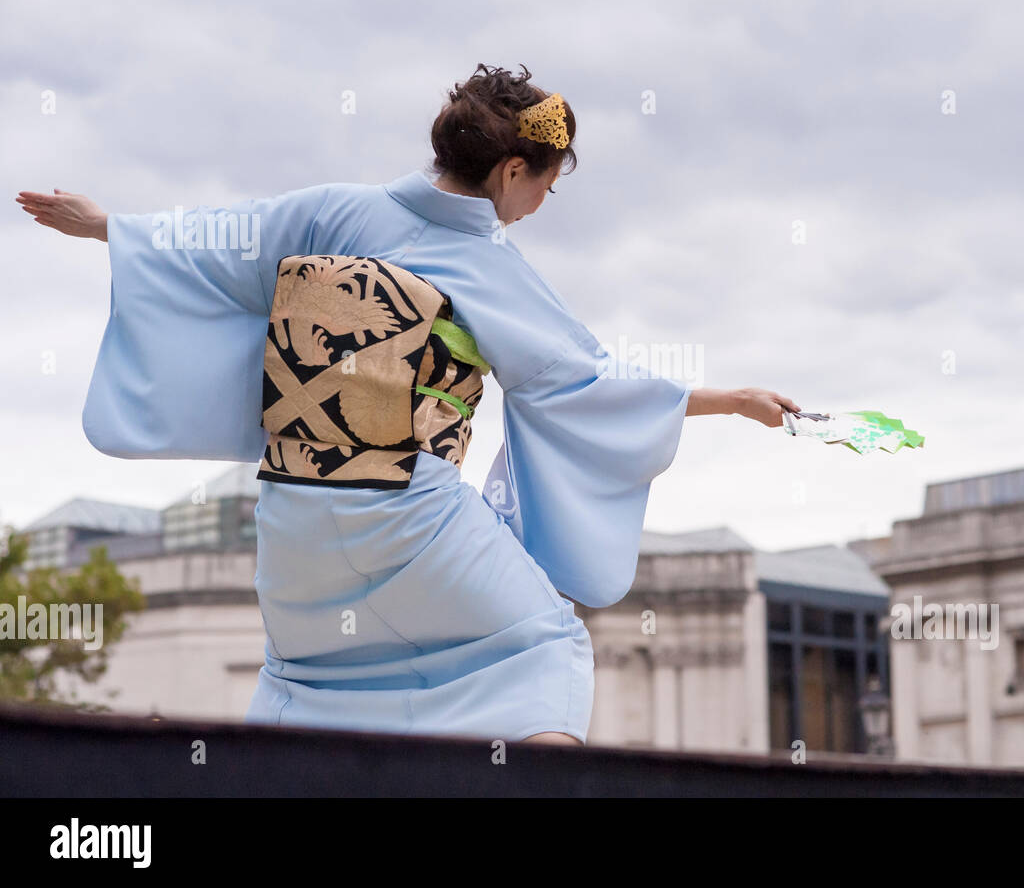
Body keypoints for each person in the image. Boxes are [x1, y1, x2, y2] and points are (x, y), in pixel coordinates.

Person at [15, 62, 800, 746]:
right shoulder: (489, 263)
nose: (539, 203)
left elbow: (213, 242)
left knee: (309, 673)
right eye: (545, 184)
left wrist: (107, 228)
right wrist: (730, 401)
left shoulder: (331, 209)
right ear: (510, 171)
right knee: (543, 641)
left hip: (292, 508)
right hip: (403, 510)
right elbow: (586, 382)